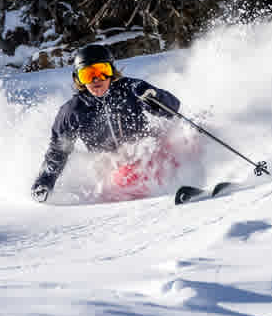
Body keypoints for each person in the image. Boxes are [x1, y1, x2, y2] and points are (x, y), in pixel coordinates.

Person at [30, 43, 187, 202]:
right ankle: (164, 197)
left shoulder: (131, 89)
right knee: (126, 178)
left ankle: (197, 177)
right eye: (88, 75)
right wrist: (45, 180)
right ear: (78, 79)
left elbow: (173, 107)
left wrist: (154, 98)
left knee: (182, 142)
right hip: (116, 168)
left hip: (150, 151)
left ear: (112, 71)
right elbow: (58, 150)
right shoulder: (73, 111)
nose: (96, 79)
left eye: (102, 71)